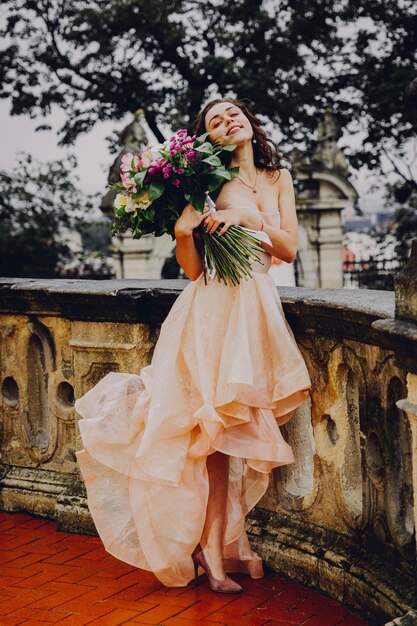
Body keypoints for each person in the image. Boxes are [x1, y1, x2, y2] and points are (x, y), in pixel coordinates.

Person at [74, 97, 312, 595]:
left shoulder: (278, 176)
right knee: (213, 441)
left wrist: (248, 219)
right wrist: (185, 232)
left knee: (231, 441)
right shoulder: (204, 180)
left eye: (234, 113)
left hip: (257, 310)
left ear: (251, 121)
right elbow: (193, 268)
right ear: (208, 138)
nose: (229, 121)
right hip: (214, 309)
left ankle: (223, 544)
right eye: (216, 120)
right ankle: (211, 549)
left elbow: (288, 249)